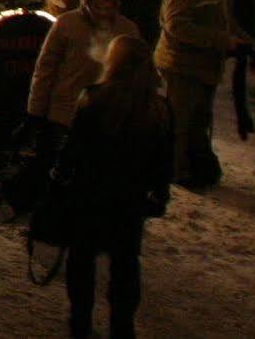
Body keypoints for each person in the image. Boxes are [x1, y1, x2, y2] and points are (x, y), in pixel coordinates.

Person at [56, 36, 173, 339]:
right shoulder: (157, 108)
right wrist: (159, 193)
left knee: (82, 259)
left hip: (90, 193)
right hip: (130, 199)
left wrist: (61, 175)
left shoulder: (93, 97)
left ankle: (80, 322)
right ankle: (122, 326)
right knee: (125, 262)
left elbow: (75, 147)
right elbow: (164, 158)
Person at [28, 0, 142, 162]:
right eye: (98, 8)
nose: (104, 14)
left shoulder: (127, 29)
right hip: (66, 112)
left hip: (110, 114)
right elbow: (46, 69)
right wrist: (36, 111)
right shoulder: (66, 24)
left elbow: (137, 73)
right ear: (86, 4)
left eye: (108, 8)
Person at [155, 0, 239, 189]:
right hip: (181, 65)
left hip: (203, 67)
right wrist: (221, 41)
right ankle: (176, 171)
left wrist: (241, 40)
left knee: (198, 119)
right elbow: (177, 27)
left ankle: (193, 165)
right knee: (180, 121)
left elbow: (222, 19)